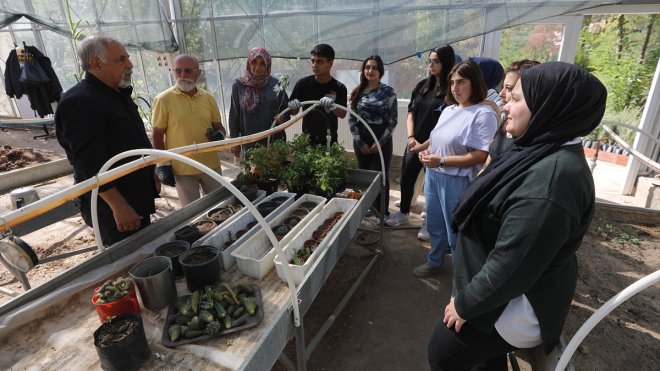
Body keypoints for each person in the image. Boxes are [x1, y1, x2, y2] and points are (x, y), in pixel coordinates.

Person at [428, 62, 607, 371]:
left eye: (517, 97)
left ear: (549, 107)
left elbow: (513, 264)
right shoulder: (538, 148)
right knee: (484, 360)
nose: (504, 103)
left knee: (445, 351)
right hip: (503, 292)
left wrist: (465, 304)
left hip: (517, 303)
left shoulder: (553, 180)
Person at [55, 34, 159, 245]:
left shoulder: (116, 94)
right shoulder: (81, 101)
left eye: (127, 58)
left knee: (144, 249)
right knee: (127, 260)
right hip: (114, 207)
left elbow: (132, 140)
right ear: (96, 64)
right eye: (121, 59)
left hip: (135, 195)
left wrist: (150, 173)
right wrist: (118, 205)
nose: (129, 64)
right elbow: (88, 163)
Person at [413, 60, 498, 278]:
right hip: (434, 176)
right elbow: (435, 139)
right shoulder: (449, 109)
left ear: (475, 83)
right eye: (452, 83)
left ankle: (462, 279)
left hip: (457, 181)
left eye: (461, 82)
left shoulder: (482, 113)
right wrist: (425, 152)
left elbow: (481, 154)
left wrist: (441, 161)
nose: (455, 88)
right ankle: (435, 262)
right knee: (434, 224)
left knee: (456, 232)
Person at [385, 45, 456, 237]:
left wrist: (424, 145)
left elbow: (447, 124)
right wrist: (410, 138)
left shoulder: (451, 90)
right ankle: (404, 213)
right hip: (414, 143)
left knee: (431, 188)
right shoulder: (422, 86)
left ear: (446, 62)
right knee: (407, 178)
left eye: (436, 61)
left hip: (435, 148)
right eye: (430, 61)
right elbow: (410, 112)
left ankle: (428, 223)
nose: (431, 65)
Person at [152, 54, 226, 207]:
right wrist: (163, 165)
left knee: (220, 206)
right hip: (182, 168)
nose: (182, 75)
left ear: (198, 73)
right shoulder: (163, 99)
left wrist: (220, 135)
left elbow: (219, 127)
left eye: (188, 71)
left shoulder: (208, 98)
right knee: (193, 214)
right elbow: (157, 135)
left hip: (210, 165)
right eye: (178, 71)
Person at [348, 55, 397, 220]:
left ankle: (382, 211)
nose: (371, 71)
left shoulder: (388, 92)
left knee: (381, 176)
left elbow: (393, 121)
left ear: (380, 71)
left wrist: (379, 142)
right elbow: (351, 119)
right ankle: (368, 207)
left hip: (382, 140)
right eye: (368, 67)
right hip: (361, 140)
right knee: (365, 176)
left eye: (374, 67)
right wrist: (360, 142)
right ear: (363, 70)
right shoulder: (357, 91)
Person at [229, 47, 289, 158]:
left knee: (276, 173)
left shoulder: (277, 84)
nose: (257, 67)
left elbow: (286, 111)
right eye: (254, 62)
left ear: (268, 65)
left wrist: (283, 118)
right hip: (250, 143)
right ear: (249, 63)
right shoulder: (238, 85)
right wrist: (234, 141)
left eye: (262, 64)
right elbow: (234, 115)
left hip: (274, 142)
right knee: (253, 173)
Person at [287, 44, 347, 146]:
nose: (315, 65)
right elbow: (293, 112)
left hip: (329, 142)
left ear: (330, 63)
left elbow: (342, 114)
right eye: (313, 61)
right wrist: (293, 106)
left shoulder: (339, 87)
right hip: (307, 142)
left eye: (319, 61)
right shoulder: (303, 84)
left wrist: (333, 106)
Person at [486, 59, 540, 164]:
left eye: (509, 89)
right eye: (503, 87)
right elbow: (489, 160)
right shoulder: (506, 122)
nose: (501, 93)